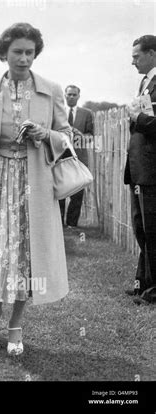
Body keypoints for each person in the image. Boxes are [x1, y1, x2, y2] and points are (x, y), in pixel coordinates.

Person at [0, 23, 72, 356]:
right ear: (4, 54)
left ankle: (16, 326)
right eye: (17, 52)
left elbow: (67, 138)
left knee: (27, 255)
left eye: (30, 52)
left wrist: (43, 133)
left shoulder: (51, 89)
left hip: (34, 181)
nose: (24, 59)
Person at [124, 34, 156, 305]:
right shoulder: (145, 84)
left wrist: (138, 118)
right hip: (139, 170)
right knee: (142, 229)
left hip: (151, 170)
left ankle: (153, 290)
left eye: (136, 56)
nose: (132, 61)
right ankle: (142, 283)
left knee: (153, 230)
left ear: (152, 54)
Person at [59, 85, 94, 228]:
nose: (71, 97)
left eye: (74, 95)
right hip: (59, 156)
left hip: (79, 157)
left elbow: (91, 136)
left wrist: (78, 135)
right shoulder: (59, 112)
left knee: (78, 190)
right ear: (65, 95)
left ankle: (72, 224)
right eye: (69, 94)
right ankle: (59, 223)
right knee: (60, 190)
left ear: (79, 96)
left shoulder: (86, 114)